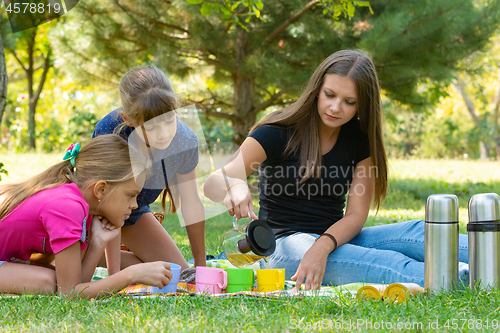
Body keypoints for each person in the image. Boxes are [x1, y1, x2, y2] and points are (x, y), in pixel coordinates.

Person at [203, 50, 469, 290]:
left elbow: (355, 214)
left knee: (416, 232)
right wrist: (236, 184)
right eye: (330, 95)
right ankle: (461, 278)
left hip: (333, 239)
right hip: (284, 246)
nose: (335, 107)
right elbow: (213, 183)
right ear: (317, 89)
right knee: (384, 262)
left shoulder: (358, 137)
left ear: (362, 105)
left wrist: (324, 245)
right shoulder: (277, 132)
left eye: (349, 102)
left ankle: (489, 254)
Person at [0, 135, 173, 298]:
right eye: (130, 195)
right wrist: (131, 274)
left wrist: (97, 243)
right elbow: (69, 293)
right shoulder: (68, 207)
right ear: (101, 189)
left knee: (54, 279)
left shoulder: (85, 209)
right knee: (49, 282)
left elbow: (79, 282)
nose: (135, 205)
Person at [92, 66, 206, 274]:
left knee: (179, 273)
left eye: (170, 121)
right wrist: (114, 275)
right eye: (152, 127)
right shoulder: (111, 131)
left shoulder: (185, 141)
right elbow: (106, 205)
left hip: (133, 214)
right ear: (128, 119)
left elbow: (191, 202)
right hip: (95, 216)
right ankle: (79, 252)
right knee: (109, 265)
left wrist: (201, 264)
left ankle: (91, 255)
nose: (164, 134)